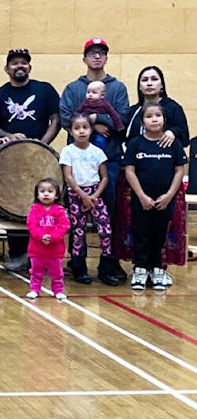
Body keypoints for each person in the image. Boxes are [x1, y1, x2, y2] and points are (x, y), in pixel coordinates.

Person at [59, 38, 130, 278]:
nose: (97, 57)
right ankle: (77, 264)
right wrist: (94, 123)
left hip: (107, 160)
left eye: (101, 53)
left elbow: (121, 121)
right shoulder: (73, 88)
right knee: (76, 218)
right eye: (92, 53)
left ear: (106, 58)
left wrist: (95, 120)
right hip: (77, 163)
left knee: (107, 216)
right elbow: (66, 118)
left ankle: (108, 264)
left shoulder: (117, 88)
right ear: (84, 58)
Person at [0, 48, 62, 271]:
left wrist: (40, 146)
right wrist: (9, 138)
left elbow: (56, 120)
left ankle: (45, 255)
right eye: (14, 63)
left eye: (24, 63)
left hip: (41, 160)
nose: (19, 66)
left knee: (44, 207)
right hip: (11, 160)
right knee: (14, 205)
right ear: (7, 69)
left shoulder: (44, 90)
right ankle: (18, 254)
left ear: (30, 67)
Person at [114, 66, 191, 282]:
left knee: (161, 229)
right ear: (139, 85)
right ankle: (140, 268)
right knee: (139, 228)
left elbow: (184, 136)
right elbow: (122, 136)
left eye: (154, 79)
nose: (149, 83)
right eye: (144, 79)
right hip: (137, 180)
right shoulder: (133, 111)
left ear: (161, 83)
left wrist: (172, 132)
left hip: (166, 182)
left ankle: (160, 268)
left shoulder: (172, 108)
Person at [123, 103, 187, 291]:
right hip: (141, 200)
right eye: (149, 116)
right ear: (143, 121)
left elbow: (179, 171)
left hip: (165, 200)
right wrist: (141, 195)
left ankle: (159, 269)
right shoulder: (135, 143)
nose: (154, 119)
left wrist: (169, 195)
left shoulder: (173, 145)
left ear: (164, 120)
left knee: (160, 235)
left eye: (158, 115)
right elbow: (130, 171)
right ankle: (141, 269)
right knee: (141, 235)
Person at [59, 115, 116, 286]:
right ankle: (79, 269)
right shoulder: (68, 151)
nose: (81, 131)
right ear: (71, 131)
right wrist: (82, 195)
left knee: (105, 229)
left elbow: (104, 177)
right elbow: (67, 176)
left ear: (91, 130)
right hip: (76, 194)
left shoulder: (97, 152)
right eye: (77, 128)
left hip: (95, 194)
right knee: (78, 232)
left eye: (85, 127)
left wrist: (94, 195)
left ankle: (106, 269)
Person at [25, 178, 70, 300]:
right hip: (37, 249)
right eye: (42, 191)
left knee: (56, 273)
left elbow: (63, 226)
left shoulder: (60, 211)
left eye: (50, 191)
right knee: (36, 271)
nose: (46, 194)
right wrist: (41, 236)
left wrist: (52, 237)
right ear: (37, 194)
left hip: (55, 250)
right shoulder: (34, 209)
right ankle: (34, 289)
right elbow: (31, 225)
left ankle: (58, 291)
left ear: (56, 195)